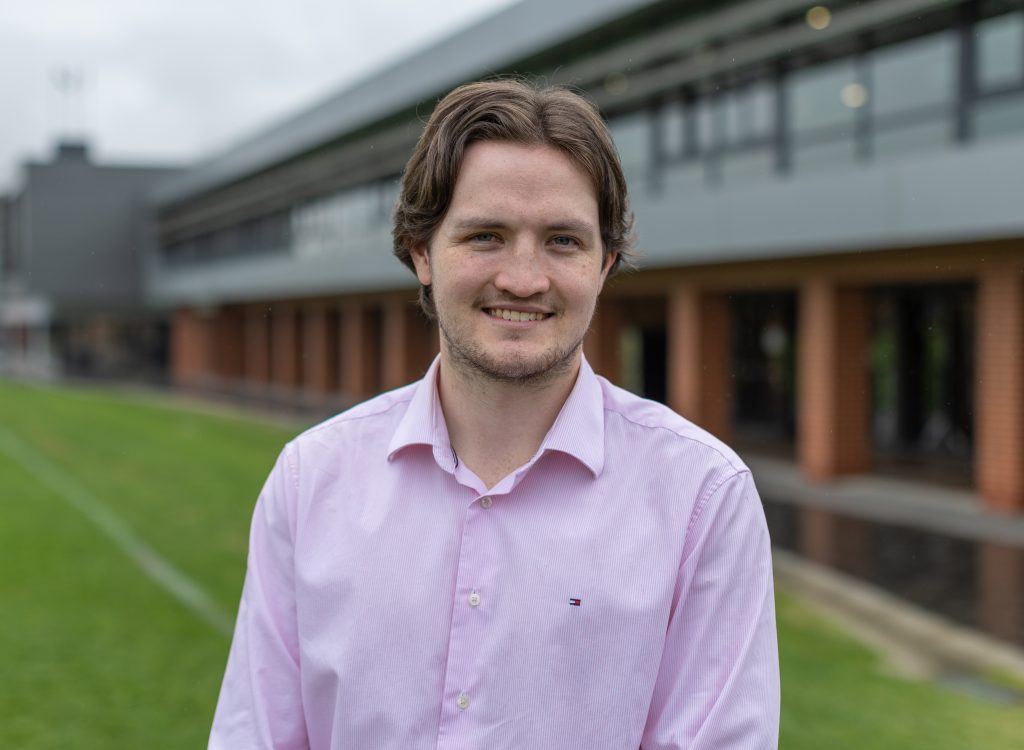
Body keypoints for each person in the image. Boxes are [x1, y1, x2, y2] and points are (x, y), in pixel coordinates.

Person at [209, 79, 779, 750]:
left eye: (563, 241)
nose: (523, 278)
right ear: (421, 251)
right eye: (486, 236)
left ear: (605, 265)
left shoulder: (702, 497)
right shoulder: (312, 480)